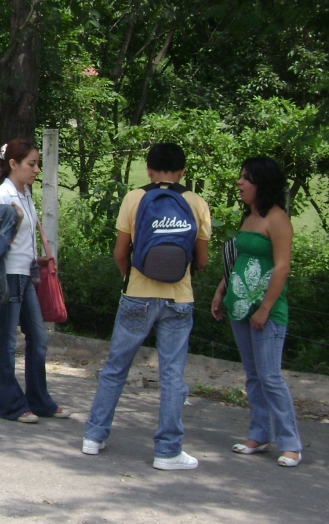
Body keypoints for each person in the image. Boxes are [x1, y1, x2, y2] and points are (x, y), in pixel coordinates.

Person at [82, 143, 211, 470]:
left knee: (116, 366)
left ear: (149, 170)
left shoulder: (134, 198)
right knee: (172, 375)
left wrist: (132, 278)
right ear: (183, 171)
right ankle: (168, 452)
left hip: (136, 295)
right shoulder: (196, 203)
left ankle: (93, 437)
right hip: (178, 299)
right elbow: (203, 260)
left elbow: (120, 253)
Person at [211, 156, 302, 467]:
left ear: (262, 184)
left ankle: (290, 443)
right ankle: (259, 434)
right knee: (252, 376)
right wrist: (222, 289)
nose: (240, 183)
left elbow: (282, 267)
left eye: (246, 178)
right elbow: (240, 258)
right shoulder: (249, 218)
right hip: (239, 307)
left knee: (270, 376)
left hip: (267, 312)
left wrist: (265, 308)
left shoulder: (277, 219)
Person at [0, 139, 72, 423]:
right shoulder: (3, 196)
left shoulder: (24, 193)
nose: (36, 170)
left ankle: (39, 400)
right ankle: (11, 404)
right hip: (8, 275)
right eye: (31, 164)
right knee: (7, 340)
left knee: (39, 336)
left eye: (37, 164)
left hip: (27, 273)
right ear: (13, 164)